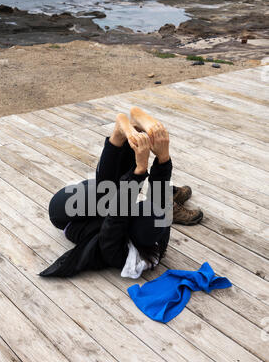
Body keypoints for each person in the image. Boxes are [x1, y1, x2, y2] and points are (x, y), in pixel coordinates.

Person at [40, 107, 203, 279]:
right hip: (105, 206)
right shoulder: (157, 243)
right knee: (154, 205)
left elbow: (117, 214)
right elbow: (158, 200)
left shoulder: (118, 255)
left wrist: (140, 170)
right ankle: (131, 131)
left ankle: (118, 135)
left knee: (107, 194)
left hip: (68, 216)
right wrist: (163, 158)